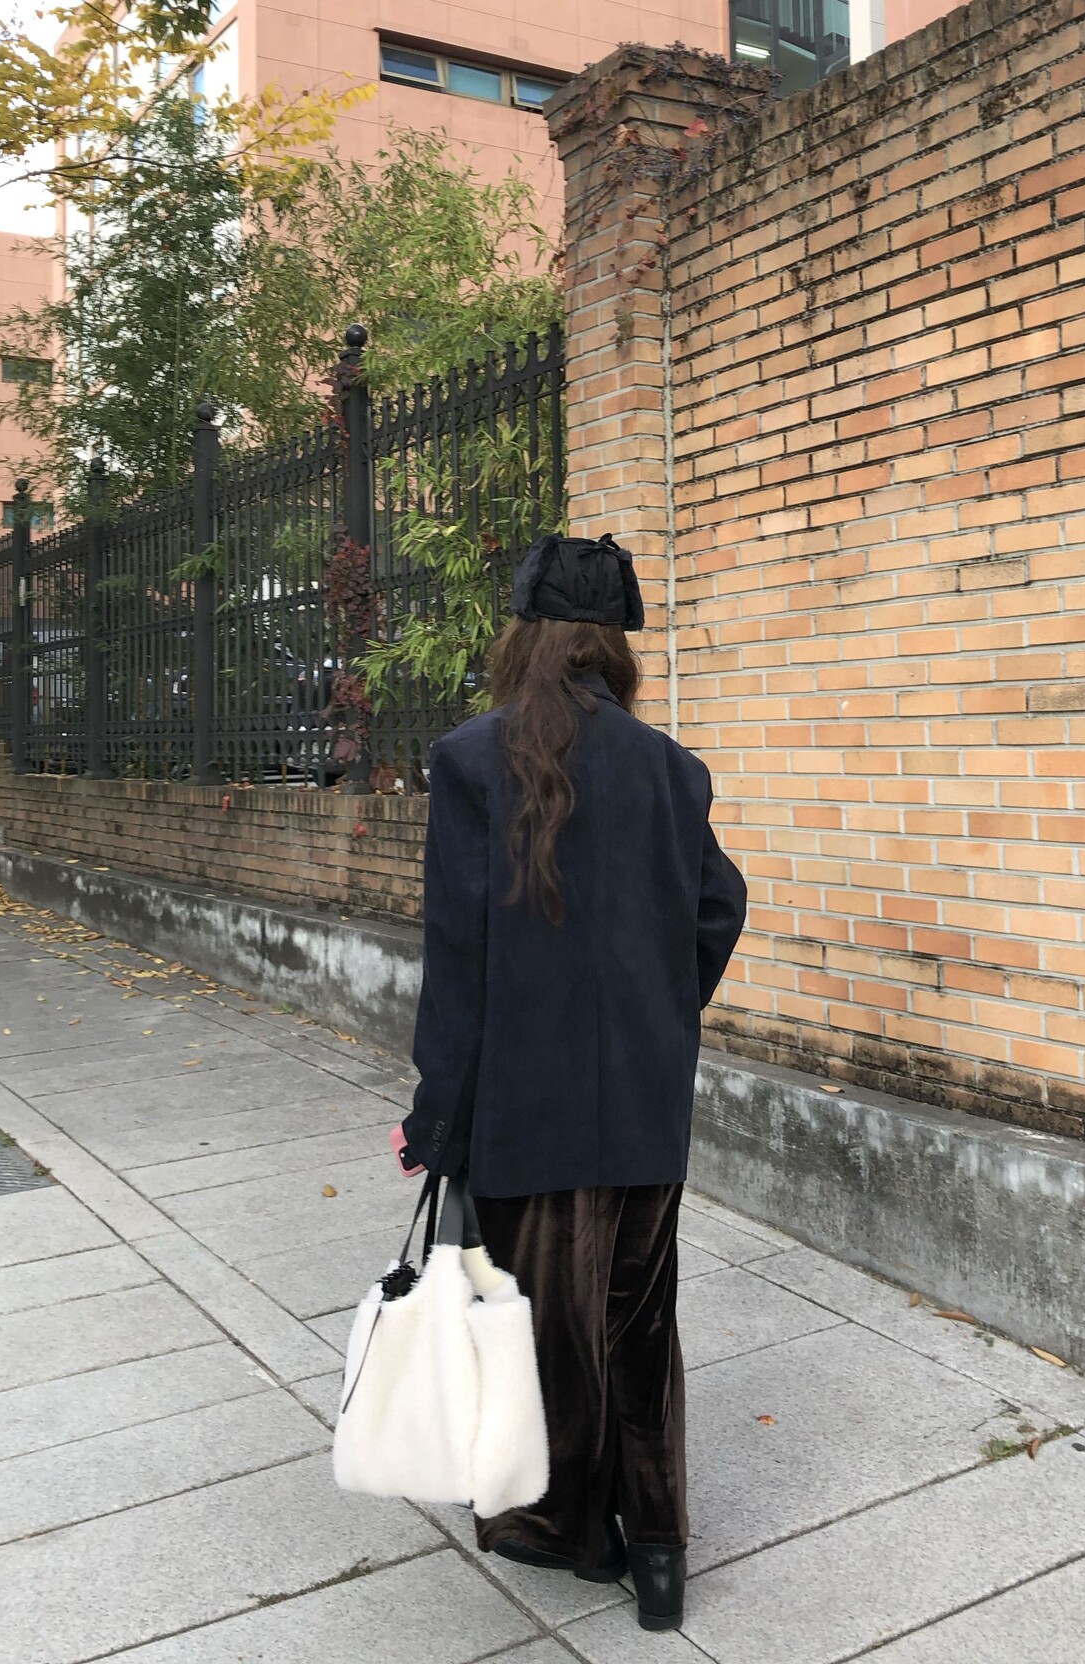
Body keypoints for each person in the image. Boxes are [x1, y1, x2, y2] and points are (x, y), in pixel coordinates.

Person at [396, 531, 747, 1634]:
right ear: (614, 646)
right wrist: (662, 1016)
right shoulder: (671, 767)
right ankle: (658, 1553)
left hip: (521, 1111)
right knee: (639, 1323)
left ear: (524, 636)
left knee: (535, 1327)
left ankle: (568, 1528)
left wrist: (435, 1118)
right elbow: (719, 908)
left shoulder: (469, 760)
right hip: (642, 1104)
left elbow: (459, 965)